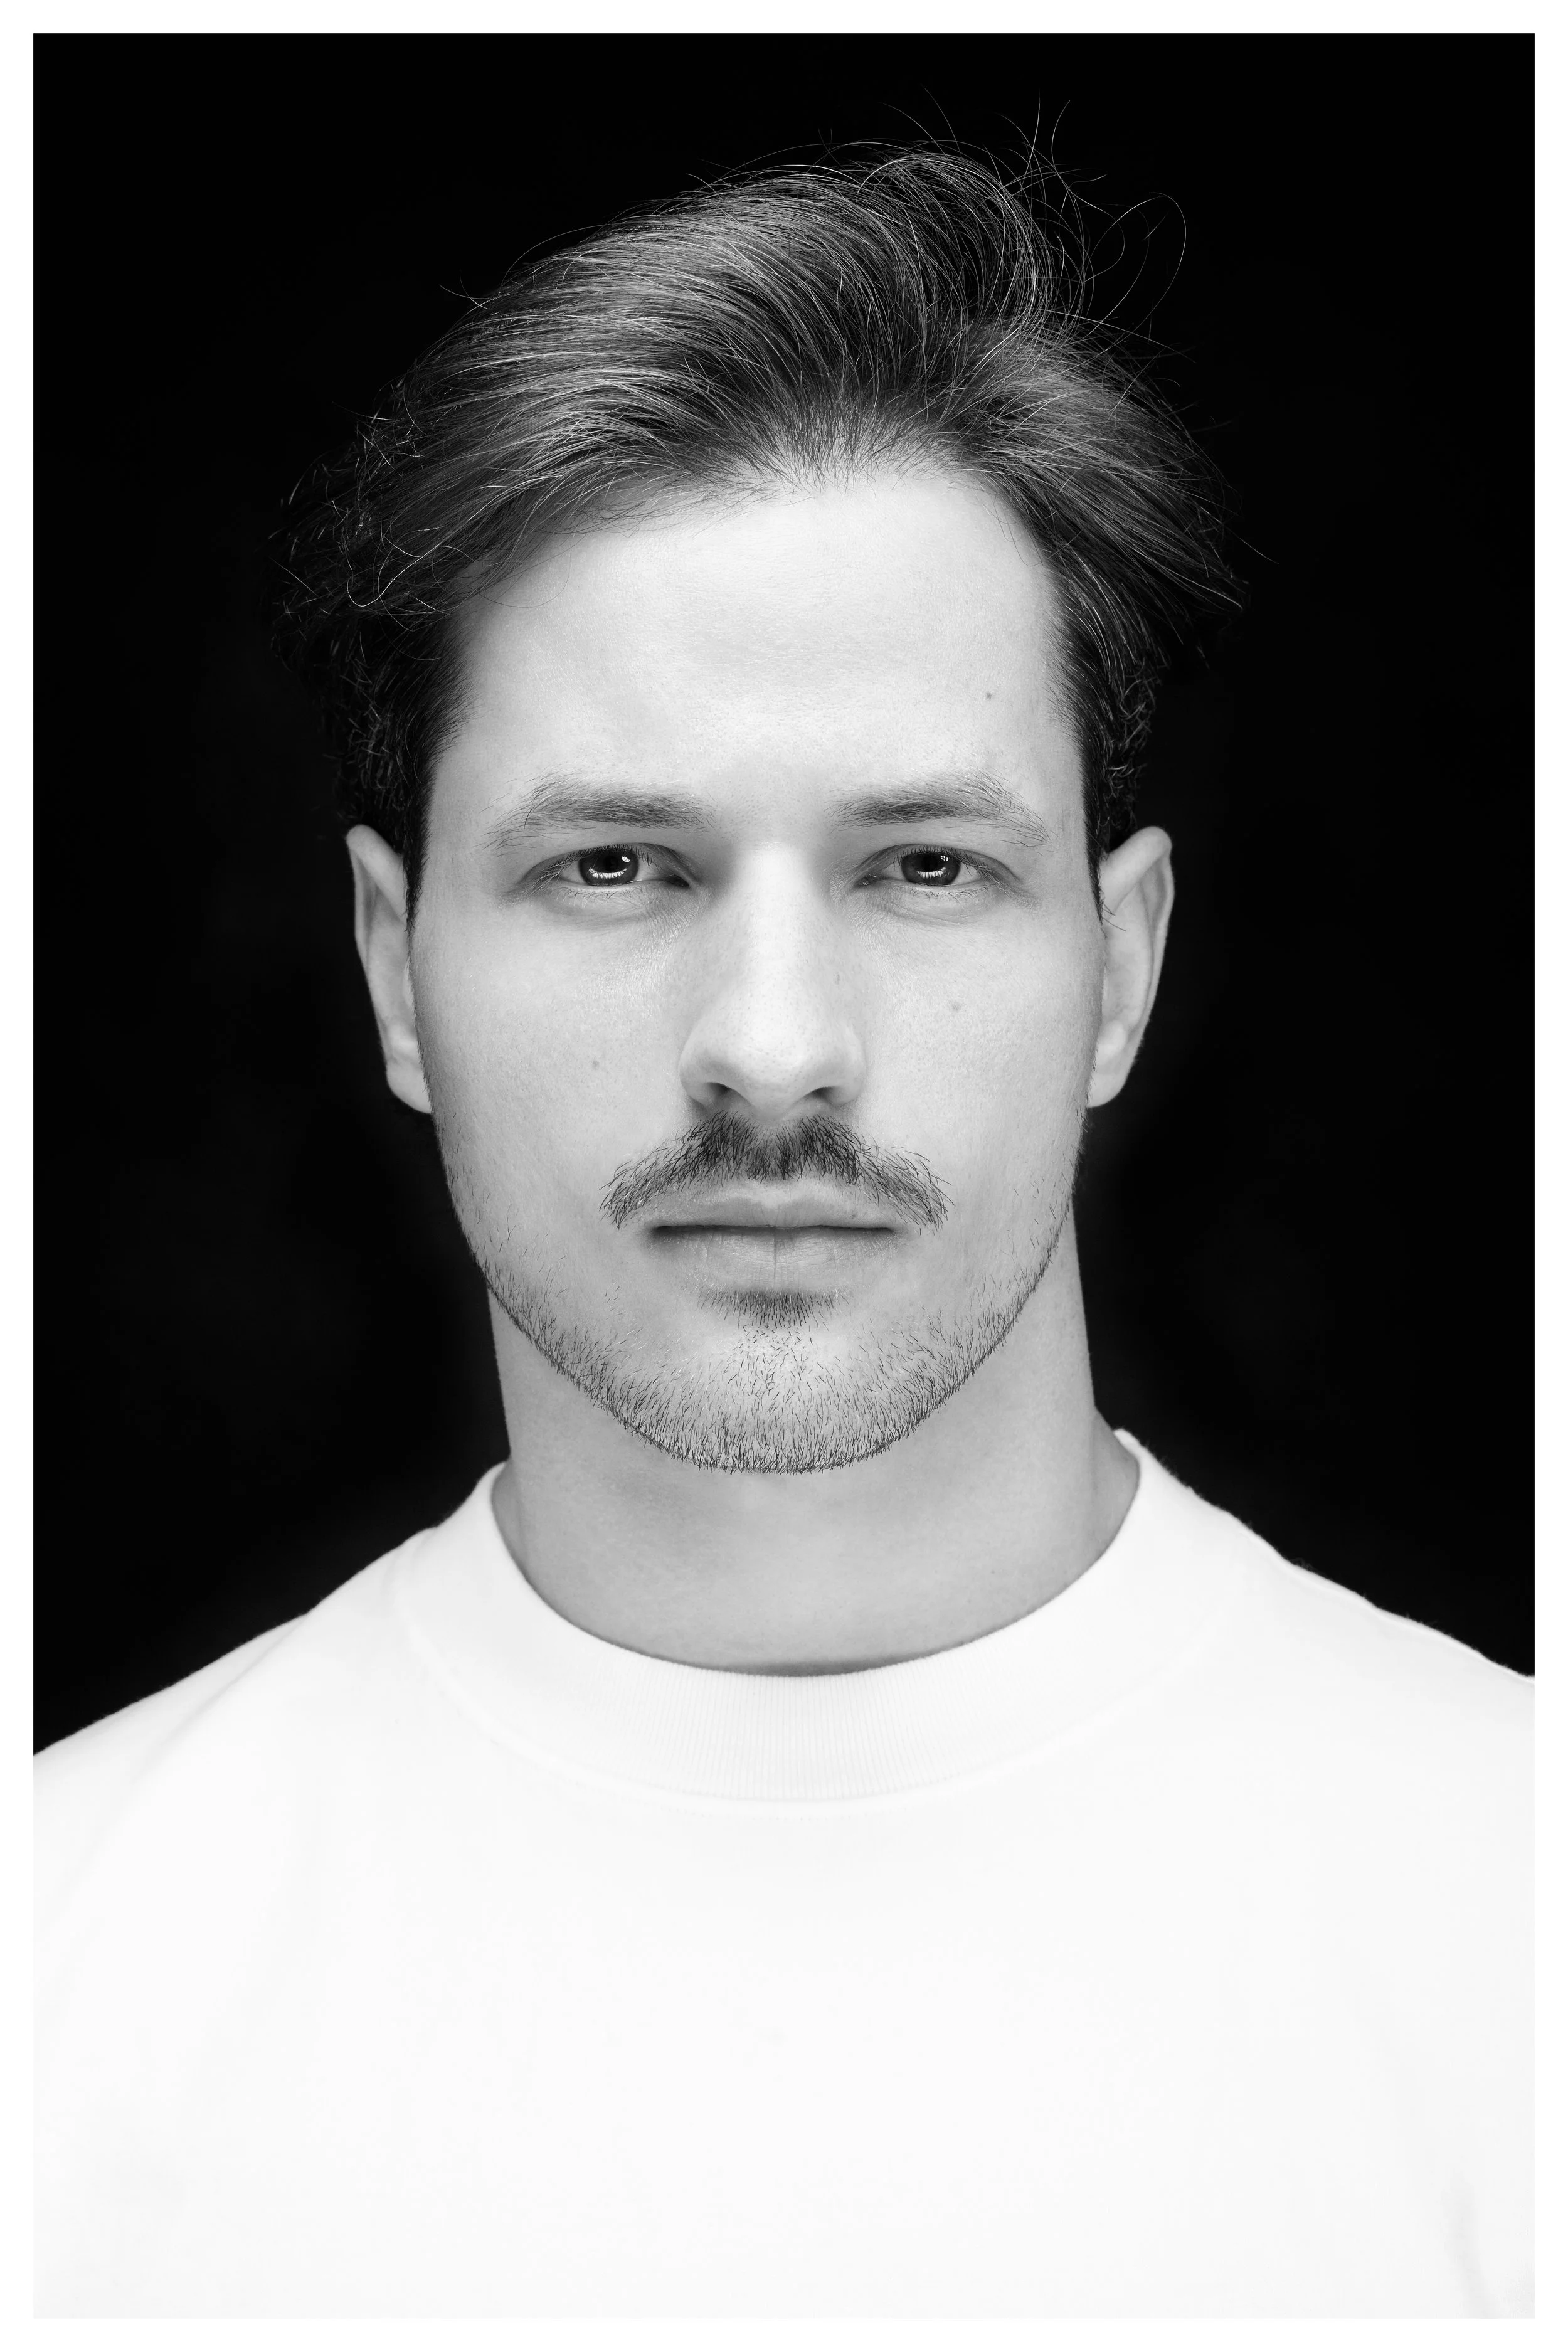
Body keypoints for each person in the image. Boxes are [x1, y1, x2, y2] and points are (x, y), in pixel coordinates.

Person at [34, 152, 1531, 2318]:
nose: (770, 1049)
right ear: (391, 969)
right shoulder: (56, 1976)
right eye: (617, 867)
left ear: (1116, 969)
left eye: (921, 865)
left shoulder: (1519, 1934)